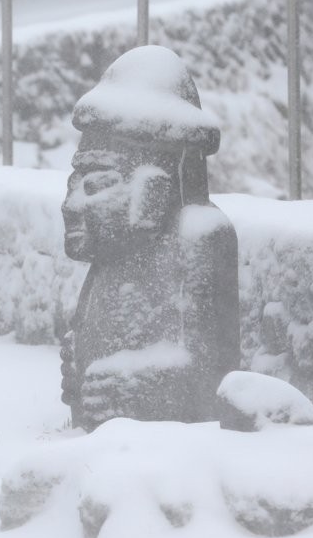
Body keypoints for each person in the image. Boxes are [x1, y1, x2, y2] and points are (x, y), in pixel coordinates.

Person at [60, 46, 241, 430]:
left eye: (96, 184)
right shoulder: (113, 254)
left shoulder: (200, 234)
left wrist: (131, 387)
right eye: (74, 183)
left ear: (152, 191)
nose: (72, 204)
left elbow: (208, 373)